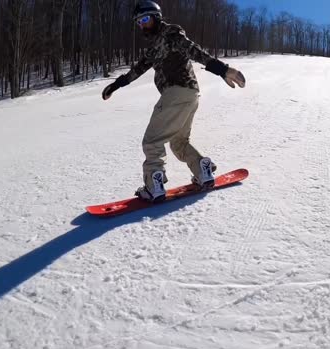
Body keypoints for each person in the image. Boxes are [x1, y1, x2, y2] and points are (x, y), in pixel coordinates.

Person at [101, 0, 246, 203]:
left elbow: (193, 50)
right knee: (179, 142)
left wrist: (222, 69)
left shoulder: (171, 33)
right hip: (190, 96)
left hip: (176, 93)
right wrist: (115, 86)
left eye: (144, 19)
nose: (142, 24)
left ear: (156, 17)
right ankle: (202, 170)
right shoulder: (153, 48)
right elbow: (136, 70)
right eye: (138, 22)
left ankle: (154, 186)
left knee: (152, 141)